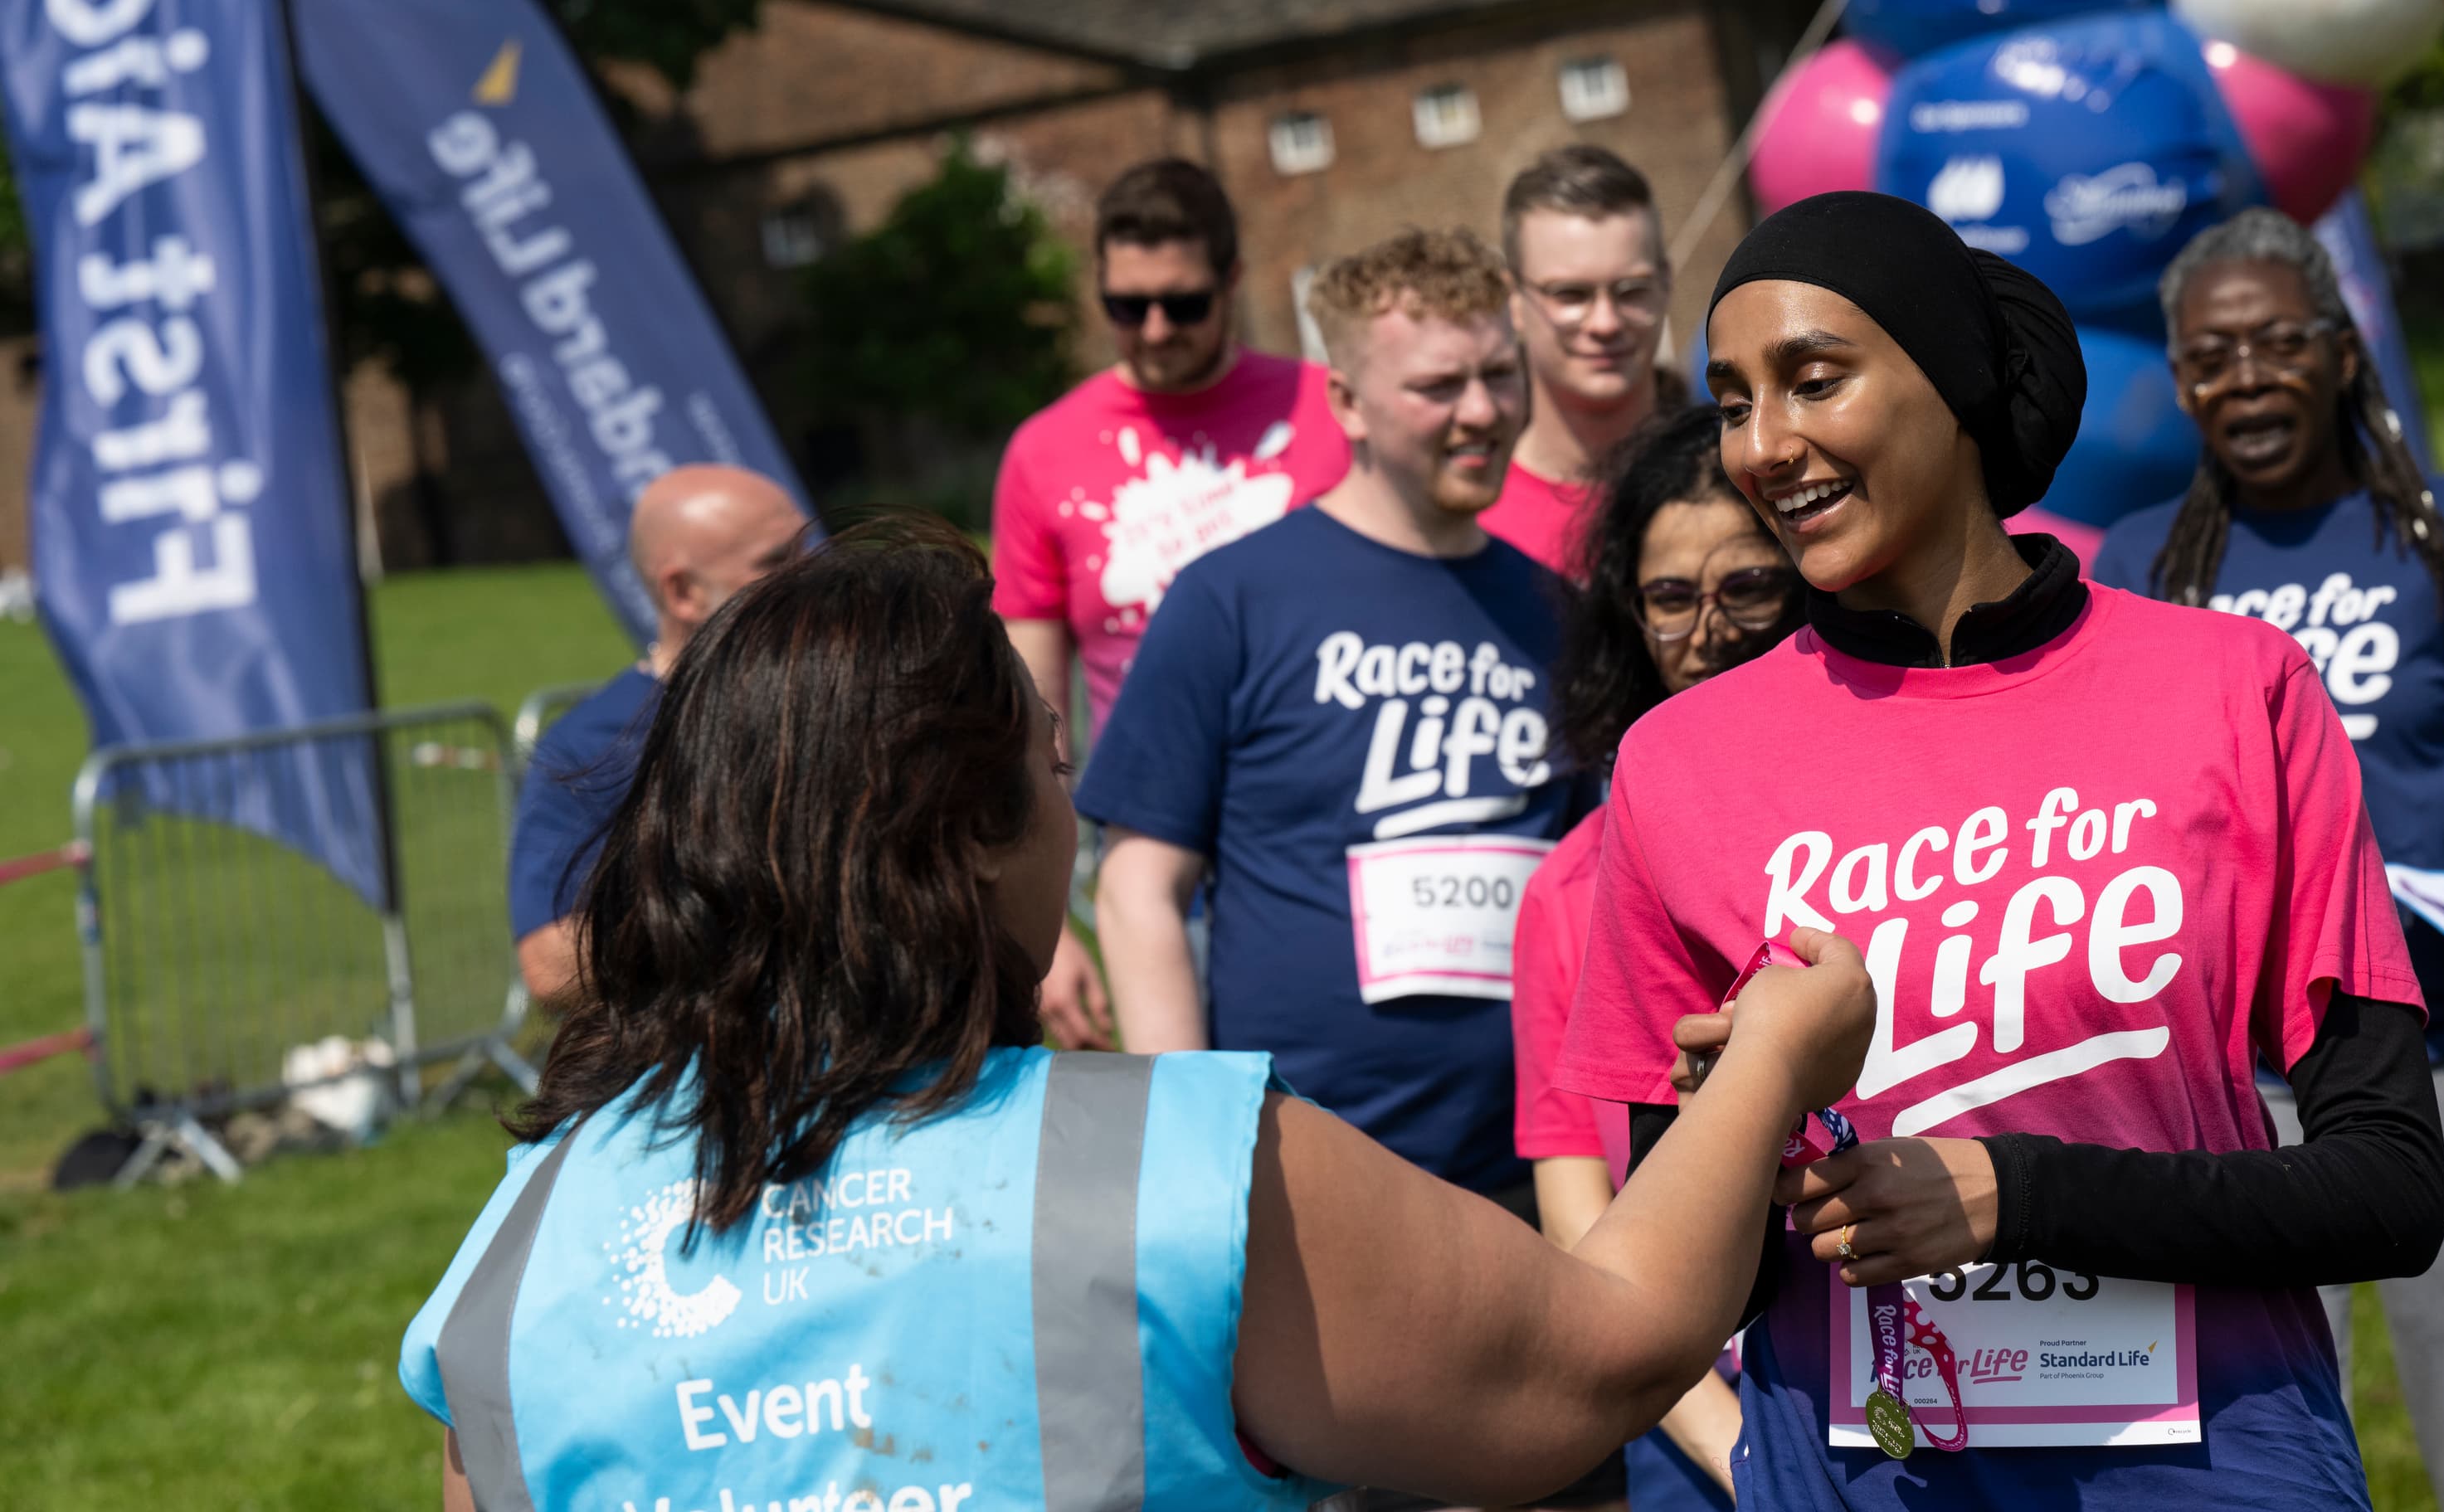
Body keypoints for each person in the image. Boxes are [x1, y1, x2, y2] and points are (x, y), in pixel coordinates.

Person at [402, 514, 1880, 1512]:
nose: (1077, 808)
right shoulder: (1171, 1167)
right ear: (974, 830)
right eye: (1054, 760)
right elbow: (1597, 1362)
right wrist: (1770, 1063)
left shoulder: (521, 1236)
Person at [1559, 192, 2444, 1512]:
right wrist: (1727, 1120)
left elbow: (2388, 1190)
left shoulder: (2233, 689)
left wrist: (2017, 1194)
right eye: (1736, 400)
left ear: (1956, 383)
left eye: (1814, 381)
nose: (1766, 446)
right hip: (1861, 1480)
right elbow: (1677, 1299)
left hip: (2219, 1473)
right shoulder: (1678, 769)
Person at [2096, 208, 2444, 1512]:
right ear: (2180, 376)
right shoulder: (2143, 567)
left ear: (2341, 351)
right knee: (2247, 1463)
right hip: (2233, 1084)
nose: (2246, 378)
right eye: (2212, 357)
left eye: (2276, 343)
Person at [1083, 226, 1585, 1202]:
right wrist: (1191, 1145)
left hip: (1535, 1174)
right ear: (1346, 401)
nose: (1481, 411)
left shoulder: (1560, 612)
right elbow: (1137, 888)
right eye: (1439, 386)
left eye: (1499, 373)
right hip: (1300, 1172)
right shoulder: (1233, 597)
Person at [1518, 403, 1809, 1509]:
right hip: (1695, 1432)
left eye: (1748, 588)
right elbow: (1579, 1206)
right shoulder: (1568, 890)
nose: (1710, 631)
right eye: (1672, 600)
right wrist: (1735, 1449)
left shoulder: (1908, 840)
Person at [991, 157, 1349, 1045]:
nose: (1154, 328)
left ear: (1232, 281)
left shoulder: (1333, 410)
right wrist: (1044, 926)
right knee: (1190, 1125)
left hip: (1333, 814)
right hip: (1152, 842)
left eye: (1184, 303)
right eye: (1126, 305)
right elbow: (1026, 712)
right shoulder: (1045, 452)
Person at [506, 464, 806, 1012]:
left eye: (807, 552)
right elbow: (549, 965)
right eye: (775, 563)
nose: (809, 578)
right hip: (713, 1069)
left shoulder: (847, 692)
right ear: (684, 591)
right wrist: (743, 900)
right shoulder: (593, 746)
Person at [1487, 145, 1677, 577]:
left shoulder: (1740, 480)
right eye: (1570, 295)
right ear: (1513, 299)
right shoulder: (1469, 520)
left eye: (1631, 290)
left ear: (1666, 283)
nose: (1606, 323)